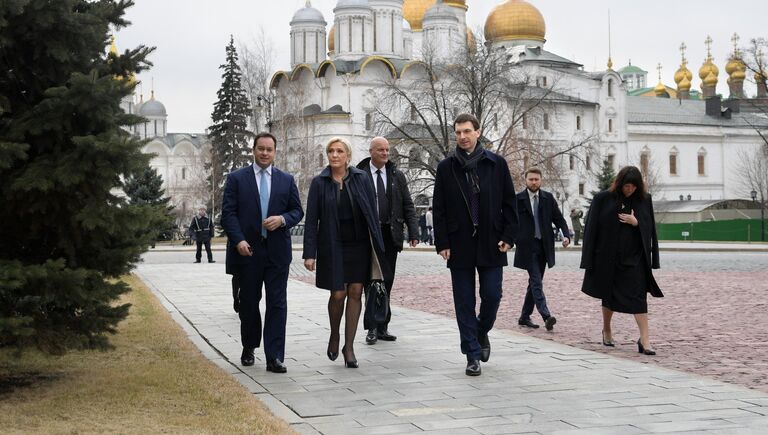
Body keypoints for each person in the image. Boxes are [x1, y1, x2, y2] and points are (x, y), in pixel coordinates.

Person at [433, 113, 518, 376]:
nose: (462, 137)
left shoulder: (496, 164)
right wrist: (442, 242)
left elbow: (509, 204)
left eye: (467, 131)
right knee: (464, 301)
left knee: (492, 295)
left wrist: (508, 236)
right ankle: (471, 354)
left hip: (492, 242)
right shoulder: (446, 167)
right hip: (459, 243)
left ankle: (481, 332)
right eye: (458, 132)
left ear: (478, 132)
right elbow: (440, 209)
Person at [303, 137, 391, 369]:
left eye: (339, 151)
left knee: (355, 291)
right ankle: (334, 334)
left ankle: (349, 346)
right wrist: (309, 253)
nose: (334, 155)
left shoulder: (361, 178)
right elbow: (312, 220)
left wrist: (379, 249)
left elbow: (372, 213)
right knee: (338, 294)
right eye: (331, 151)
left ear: (348, 156)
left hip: (359, 245)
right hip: (333, 244)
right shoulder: (319, 182)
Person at [221, 132, 304, 373]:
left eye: (269, 149)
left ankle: (274, 356)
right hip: (248, 252)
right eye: (261, 148)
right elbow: (229, 213)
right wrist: (238, 240)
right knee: (248, 302)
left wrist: (282, 219)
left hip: (277, 252)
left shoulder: (286, 180)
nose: (265, 153)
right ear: (254, 150)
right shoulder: (237, 178)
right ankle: (249, 346)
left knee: (277, 303)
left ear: (275, 152)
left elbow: (297, 211)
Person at [580, 165, 662, 355]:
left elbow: (650, 228)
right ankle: (607, 329)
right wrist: (588, 260)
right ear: (620, 183)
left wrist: (637, 223)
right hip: (609, 259)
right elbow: (591, 229)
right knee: (609, 296)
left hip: (635, 260)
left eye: (634, 186)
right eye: (627, 186)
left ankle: (645, 340)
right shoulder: (603, 199)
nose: (630, 190)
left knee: (639, 298)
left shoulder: (644, 200)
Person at [356, 136, 419, 345]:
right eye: (380, 150)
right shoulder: (359, 174)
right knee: (373, 281)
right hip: (368, 236)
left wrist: (414, 232)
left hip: (390, 234)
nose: (385, 153)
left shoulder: (396, 175)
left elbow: (408, 204)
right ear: (371, 151)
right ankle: (372, 327)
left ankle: (383, 326)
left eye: (387, 150)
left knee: (388, 280)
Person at [514, 168, 570, 331]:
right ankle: (546, 316)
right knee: (536, 281)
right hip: (527, 247)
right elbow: (509, 221)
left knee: (534, 283)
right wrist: (512, 239)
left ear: (541, 180)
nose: (533, 182)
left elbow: (559, 219)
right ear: (526, 180)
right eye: (530, 179)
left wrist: (565, 235)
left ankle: (524, 317)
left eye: (536, 179)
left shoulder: (548, 198)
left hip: (544, 247)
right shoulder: (518, 199)